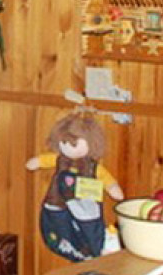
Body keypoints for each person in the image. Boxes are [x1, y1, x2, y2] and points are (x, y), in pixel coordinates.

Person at [26, 111, 123, 261]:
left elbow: (105, 177)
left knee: (88, 225)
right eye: (64, 143)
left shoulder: (92, 167)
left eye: (73, 144)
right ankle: (75, 249)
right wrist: (37, 162)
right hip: (57, 202)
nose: (68, 147)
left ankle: (94, 250)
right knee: (58, 225)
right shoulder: (60, 160)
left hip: (85, 204)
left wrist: (112, 187)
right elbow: (45, 160)